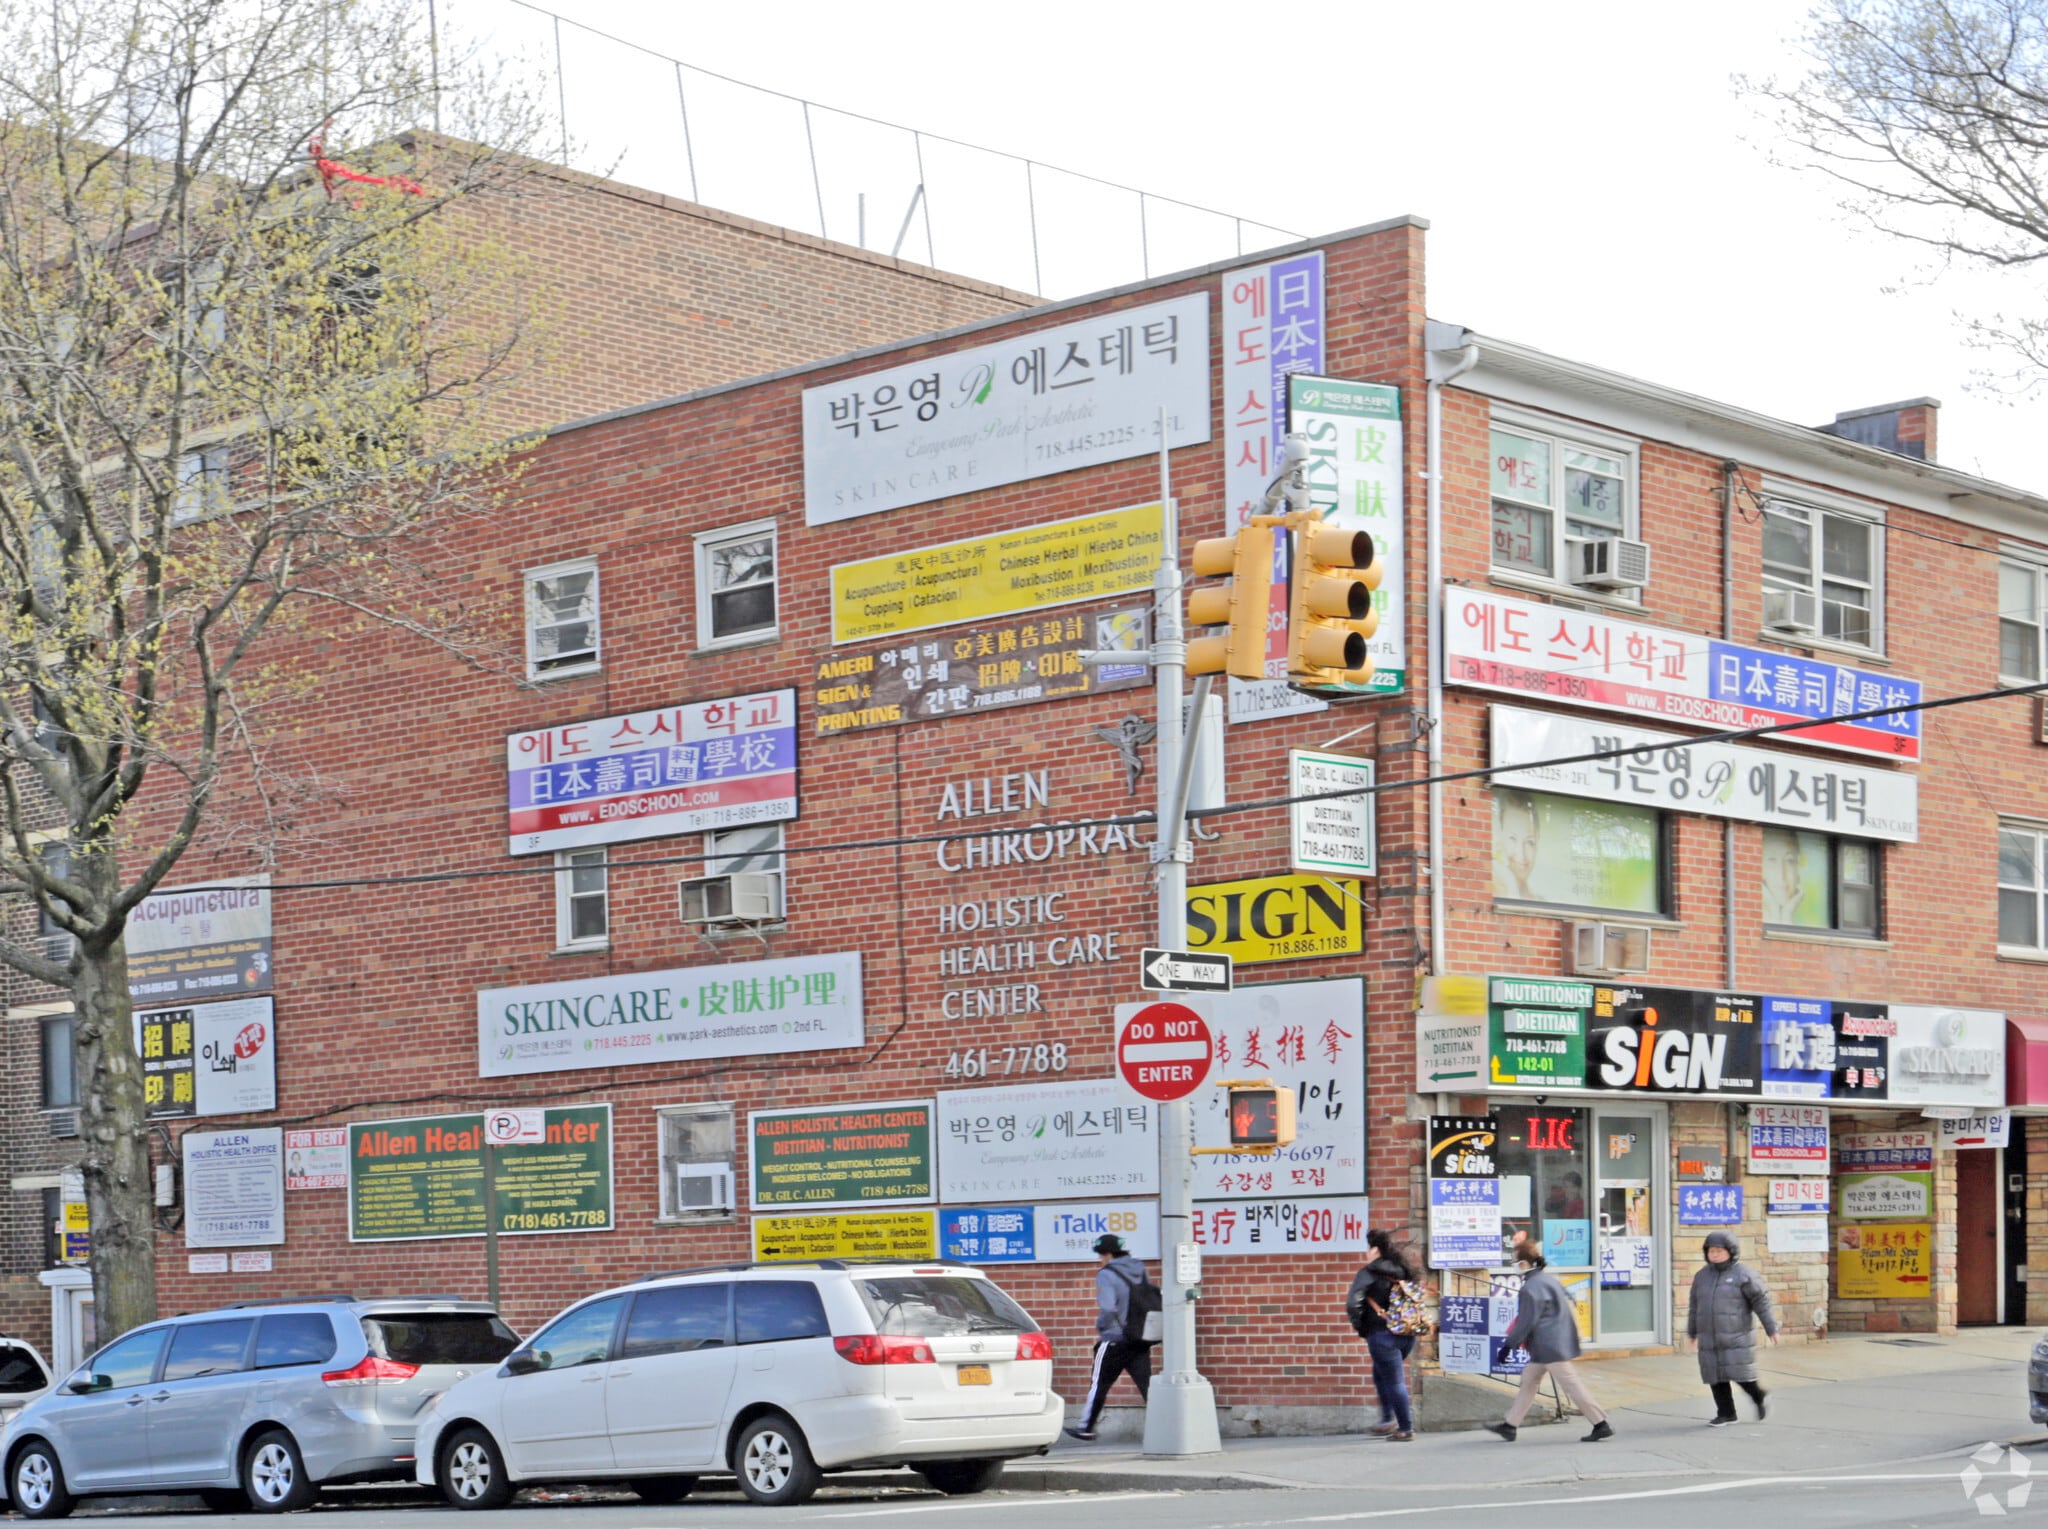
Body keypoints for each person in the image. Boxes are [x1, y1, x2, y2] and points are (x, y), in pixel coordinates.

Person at [1484, 1236, 1613, 1443]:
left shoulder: (1531, 1287)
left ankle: (1600, 1423)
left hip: (1548, 1346)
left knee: (1570, 1384)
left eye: (1515, 1261)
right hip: (1551, 1343)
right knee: (1529, 1381)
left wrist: (1508, 1346)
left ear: (1524, 1263)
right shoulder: (1547, 1280)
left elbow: (1525, 1321)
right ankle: (1510, 1425)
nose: (1514, 1265)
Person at [1065, 1233, 1153, 1440]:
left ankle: (1086, 1427)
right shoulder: (1139, 1269)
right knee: (1147, 1385)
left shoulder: (1106, 1274)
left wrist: (1103, 1328)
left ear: (1109, 1254)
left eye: (1101, 1255)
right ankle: (1168, 1427)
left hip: (1115, 1339)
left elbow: (1108, 1307)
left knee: (1099, 1384)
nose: (1100, 1259)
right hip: (1139, 1337)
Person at [1688, 1230, 1779, 1425]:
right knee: (1714, 1376)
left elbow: (1761, 1302)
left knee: (1741, 1376)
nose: (1714, 1254)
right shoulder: (1702, 1276)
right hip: (1709, 1336)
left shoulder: (1744, 1275)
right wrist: (1692, 1331)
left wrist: (1771, 1328)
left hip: (1736, 1336)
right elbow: (1695, 1306)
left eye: (1719, 1251)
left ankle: (1759, 1396)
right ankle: (1726, 1413)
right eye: (1711, 1251)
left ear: (1731, 1251)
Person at [1345, 1229, 1419, 1441]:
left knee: (1395, 1381)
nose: (1366, 1253)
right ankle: (1387, 1420)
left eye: (1368, 1248)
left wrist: (1361, 1327)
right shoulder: (1403, 1271)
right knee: (1380, 1374)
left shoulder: (1368, 1273)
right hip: (1407, 1333)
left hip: (1382, 1335)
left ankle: (1405, 1428)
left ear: (1375, 1250)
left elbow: (1353, 1304)